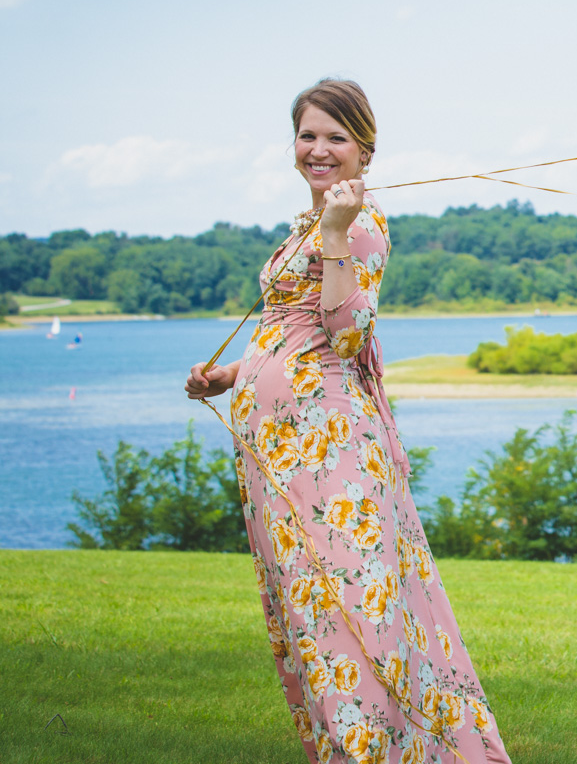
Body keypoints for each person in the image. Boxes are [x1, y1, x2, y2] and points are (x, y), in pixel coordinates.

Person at [185, 80, 510, 764]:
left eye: (336, 137)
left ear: (365, 150)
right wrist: (231, 376)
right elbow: (287, 338)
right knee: (307, 613)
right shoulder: (302, 226)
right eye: (308, 135)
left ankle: (381, 751)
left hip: (330, 450)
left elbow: (344, 334)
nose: (319, 150)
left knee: (352, 610)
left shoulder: (360, 226)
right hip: (276, 452)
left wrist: (334, 233)